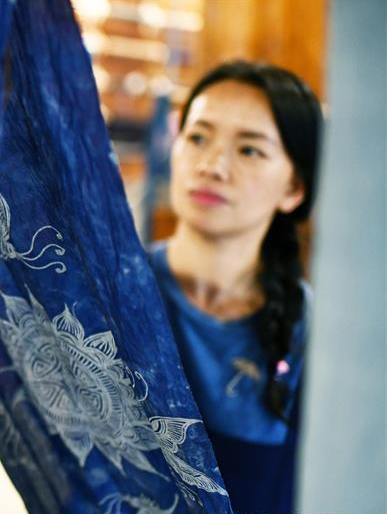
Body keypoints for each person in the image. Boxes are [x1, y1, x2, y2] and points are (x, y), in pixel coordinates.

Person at [146, 61, 322, 512]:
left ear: (294, 188)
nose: (212, 166)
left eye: (249, 150)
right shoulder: (113, 289)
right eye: (198, 138)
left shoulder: (317, 338)